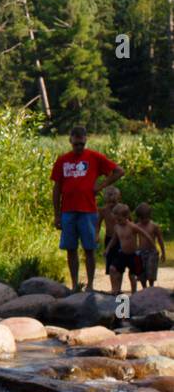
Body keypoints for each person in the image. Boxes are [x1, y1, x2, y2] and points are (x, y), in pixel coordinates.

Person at [51, 125, 123, 292]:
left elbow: (119, 171)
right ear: (70, 141)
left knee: (89, 249)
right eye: (76, 144)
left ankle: (90, 285)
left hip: (88, 210)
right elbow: (56, 188)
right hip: (68, 211)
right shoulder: (62, 160)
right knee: (70, 249)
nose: (78, 147)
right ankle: (75, 284)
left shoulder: (94, 157)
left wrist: (101, 185)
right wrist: (57, 215)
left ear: (85, 141)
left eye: (81, 144)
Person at [104, 204, 154, 296]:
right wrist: (107, 249)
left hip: (133, 255)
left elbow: (145, 234)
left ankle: (134, 293)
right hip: (122, 254)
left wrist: (153, 246)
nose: (118, 221)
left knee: (132, 275)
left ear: (126, 217)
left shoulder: (132, 226)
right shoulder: (117, 227)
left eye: (119, 220)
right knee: (112, 269)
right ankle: (115, 290)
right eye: (116, 219)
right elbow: (114, 239)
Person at [133, 203, 165, 290]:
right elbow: (133, 238)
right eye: (141, 218)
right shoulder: (137, 226)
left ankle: (151, 287)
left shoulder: (154, 226)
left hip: (152, 252)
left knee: (151, 271)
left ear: (149, 216)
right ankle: (144, 288)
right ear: (138, 217)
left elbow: (160, 239)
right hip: (141, 252)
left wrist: (163, 252)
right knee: (141, 273)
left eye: (146, 217)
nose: (144, 220)